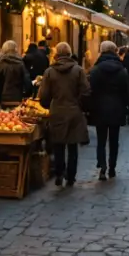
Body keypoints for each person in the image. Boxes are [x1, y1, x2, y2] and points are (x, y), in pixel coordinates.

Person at [39, 42, 89, 187]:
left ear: (57, 54)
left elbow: (44, 95)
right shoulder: (78, 70)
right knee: (72, 146)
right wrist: (79, 105)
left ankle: (59, 173)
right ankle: (71, 176)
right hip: (74, 111)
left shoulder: (49, 72)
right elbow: (86, 91)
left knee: (58, 144)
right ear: (69, 53)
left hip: (57, 111)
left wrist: (49, 105)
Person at [89, 41, 129, 180]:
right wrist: (126, 106)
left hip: (99, 108)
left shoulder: (95, 70)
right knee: (114, 140)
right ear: (115, 51)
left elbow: (91, 91)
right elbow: (127, 92)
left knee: (101, 140)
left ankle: (102, 166)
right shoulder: (122, 70)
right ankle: (112, 167)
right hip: (116, 108)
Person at [0, 40, 31, 106]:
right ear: (15, 50)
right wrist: (25, 94)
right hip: (17, 98)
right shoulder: (20, 63)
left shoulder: (0, 63)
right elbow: (27, 82)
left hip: (3, 99)